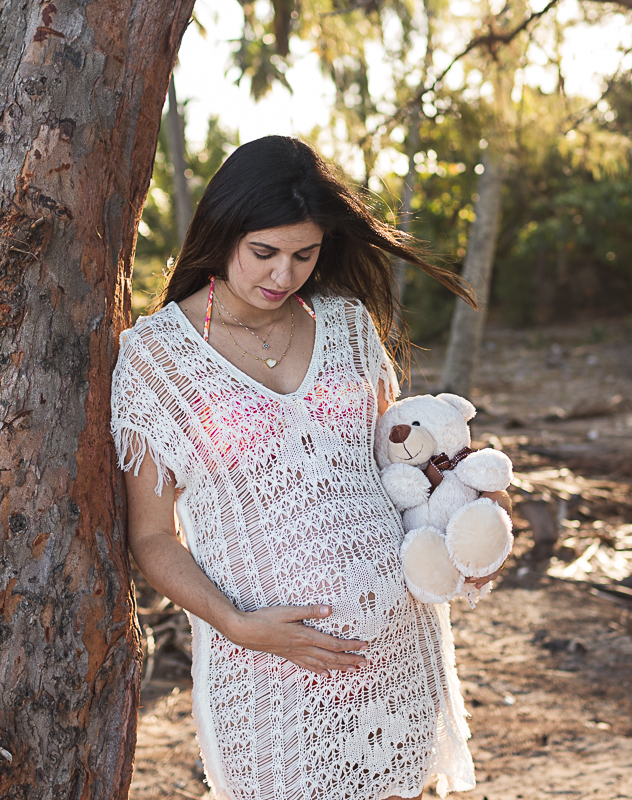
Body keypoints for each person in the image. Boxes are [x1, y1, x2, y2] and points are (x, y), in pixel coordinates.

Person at [111, 136, 506, 800]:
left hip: (398, 648)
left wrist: (472, 509)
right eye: (263, 252)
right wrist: (237, 624)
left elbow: (396, 460)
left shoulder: (348, 324)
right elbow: (151, 537)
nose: (282, 275)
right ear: (223, 232)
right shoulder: (157, 360)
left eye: (304, 254)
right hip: (268, 665)